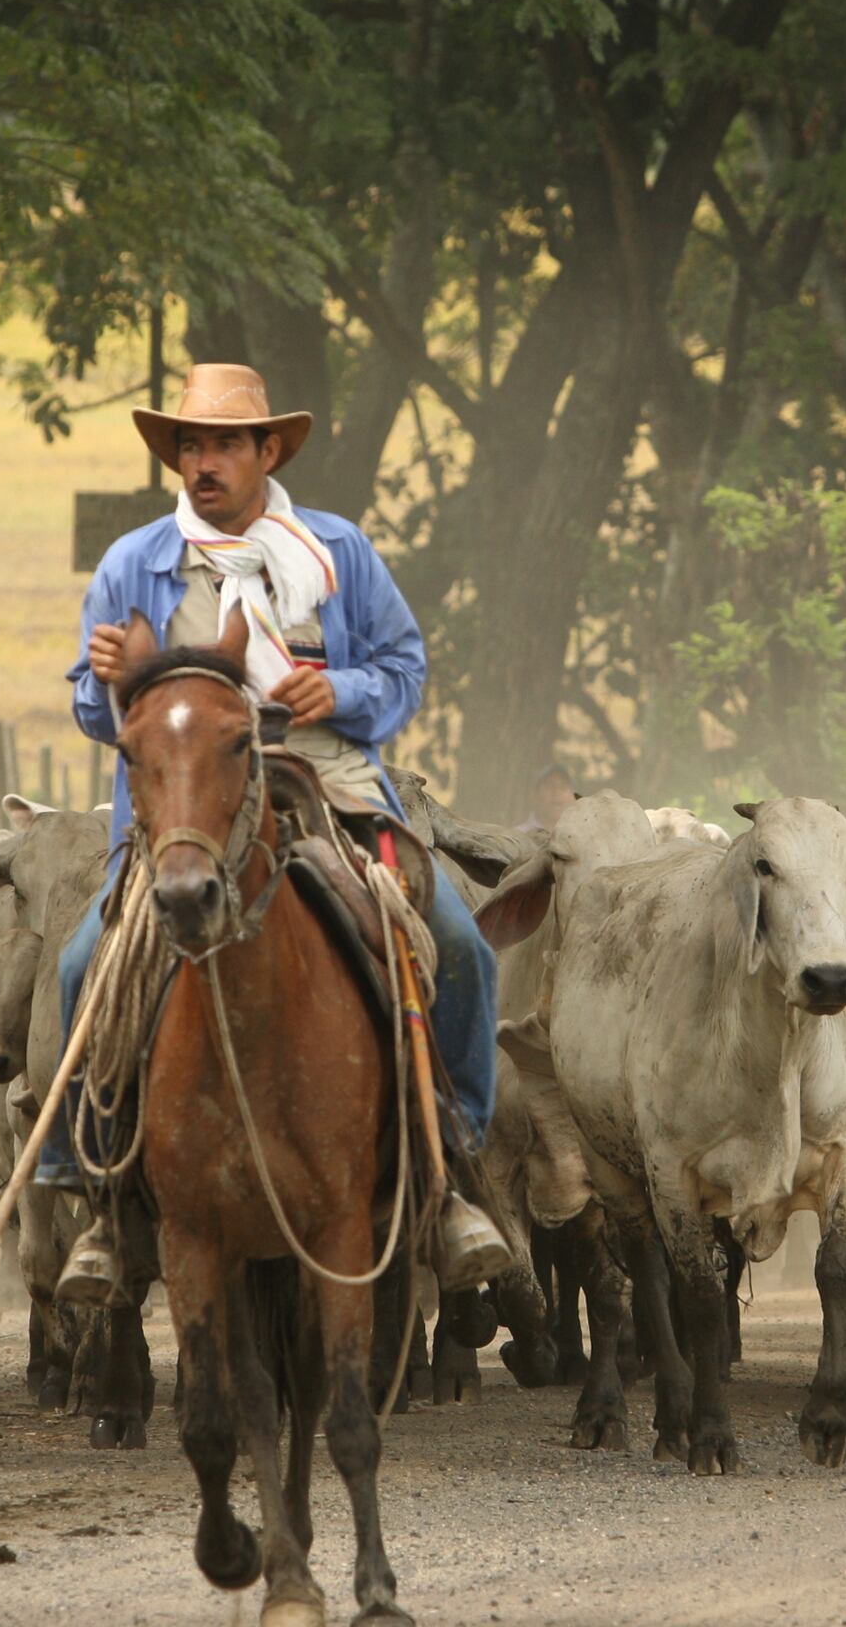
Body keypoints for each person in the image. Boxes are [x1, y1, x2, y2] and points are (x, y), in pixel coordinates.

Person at [41, 363, 509, 1302]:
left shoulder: (337, 549)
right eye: (188, 446)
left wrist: (343, 689)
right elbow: (105, 720)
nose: (201, 463)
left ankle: (453, 1163)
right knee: (81, 962)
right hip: (186, 810)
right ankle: (89, 1184)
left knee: (461, 943)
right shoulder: (135, 564)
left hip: (327, 781)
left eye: (221, 445)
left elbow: (404, 667)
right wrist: (104, 684)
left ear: (267, 452)